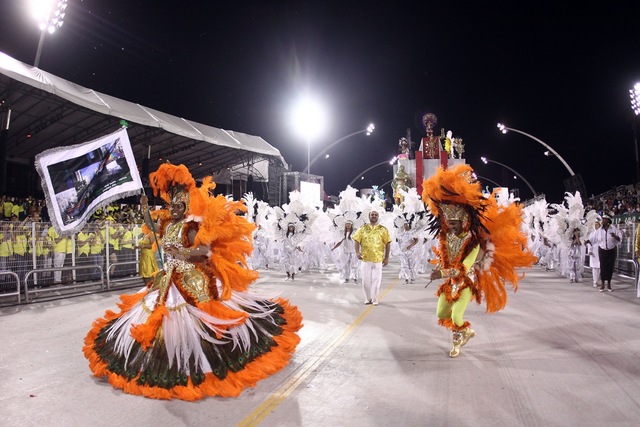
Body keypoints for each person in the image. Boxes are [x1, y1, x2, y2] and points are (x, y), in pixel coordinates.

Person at [83, 163, 302, 401]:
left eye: (179, 206)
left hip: (190, 276)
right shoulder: (167, 224)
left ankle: (206, 360)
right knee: (153, 314)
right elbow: (152, 225)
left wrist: (183, 254)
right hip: (168, 277)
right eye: (172, 205)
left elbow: (204, 250)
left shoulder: (190, 227)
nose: (175, 209)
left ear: (186, 207)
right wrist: (144, 208)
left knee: (201, 315)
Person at [422, 164, 536, 358]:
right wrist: (441, 266)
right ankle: (464, 332)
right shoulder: (446, 238)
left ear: (464, 221)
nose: (451, 226)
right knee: (441, 314)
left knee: (457, 315)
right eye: (449, 222)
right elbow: (445, 259)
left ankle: (457, 342)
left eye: (455, 223)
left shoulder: (473, 243)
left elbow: (463, 268)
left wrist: (442, 272)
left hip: (466, 281)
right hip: (450, 282)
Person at [353, 210, 391, 306]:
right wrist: (357, 252)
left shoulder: (383, 229)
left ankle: (374, 299)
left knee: (376, 280)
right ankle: (367, 298)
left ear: (378, 216)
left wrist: (386, 258)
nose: (374, 216)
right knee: (365, 280)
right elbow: (356, 240)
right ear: (369, 216)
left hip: (378, 259)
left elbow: (387, 243)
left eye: (376, 215)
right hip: (365, 259)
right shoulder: (362, 228)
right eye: (372, 215)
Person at [585, 214, 620, 292]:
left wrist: (615, 236)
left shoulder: (613, 228)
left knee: (610, 267)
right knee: (603, 267)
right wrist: (588, 241)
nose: (603, 220)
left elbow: (619, 238)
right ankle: (602, 284)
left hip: (611, 250)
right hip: (602, 250)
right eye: (603, 219)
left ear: (608, 221)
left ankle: (609, 284)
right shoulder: (599, 230)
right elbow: (594, 238)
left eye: (605, 219)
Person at [586, 219, 602, 287]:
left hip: (600, 251)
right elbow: (589, 243)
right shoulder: (592, 233)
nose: (596, 226)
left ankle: (599, 280)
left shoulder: (602, 232)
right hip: (594, 252)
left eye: (597, 225)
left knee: (600, 267)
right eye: (595, 225)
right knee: (594, 267)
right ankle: (595, 281)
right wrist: (589, 250)